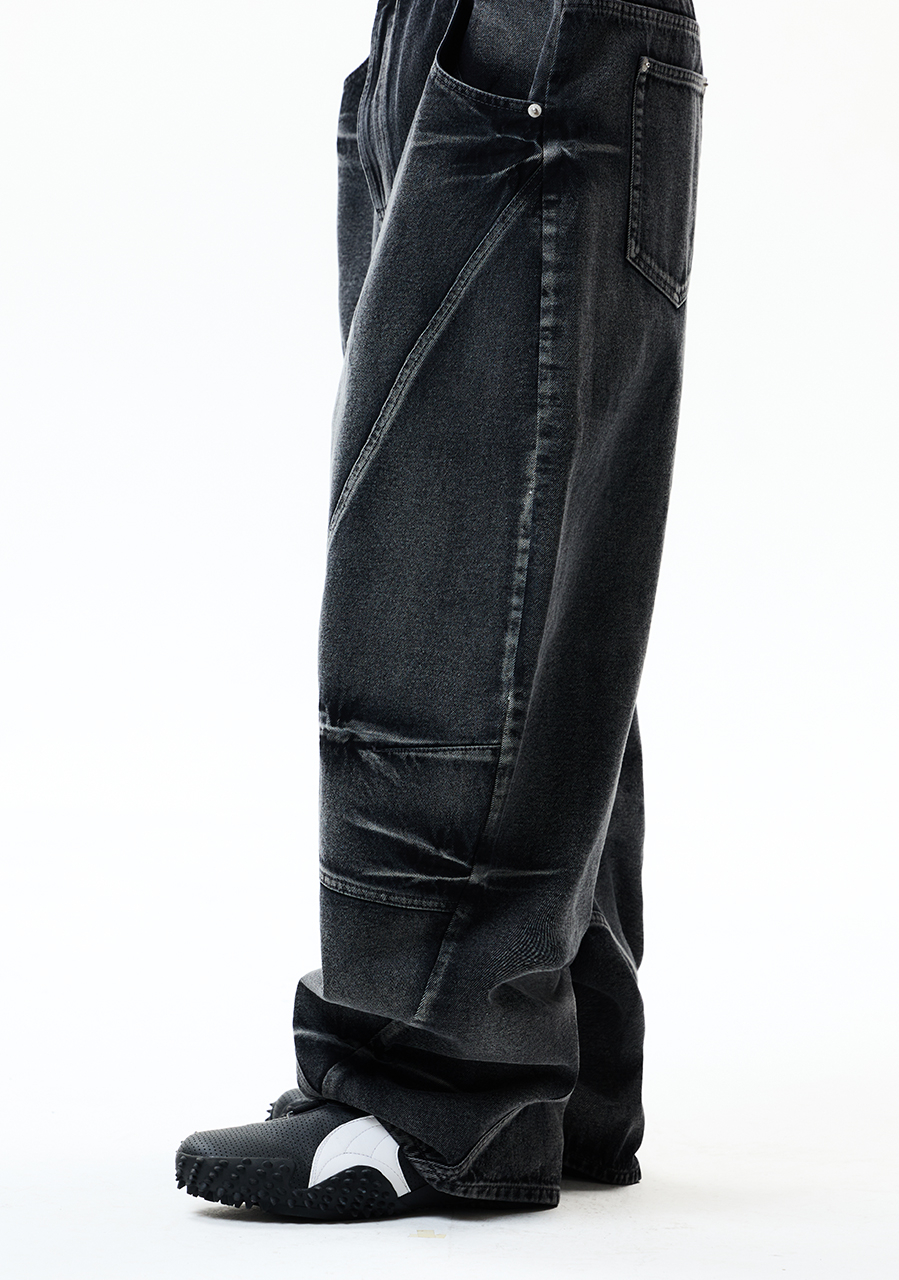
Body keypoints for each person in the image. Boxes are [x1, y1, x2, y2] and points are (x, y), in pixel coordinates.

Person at [176, 0, 707, 1221]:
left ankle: (431, 1081)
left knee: (453, 534)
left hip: (533, 31)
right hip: (470, 35)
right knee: (541, 557)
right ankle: (554, 1065)